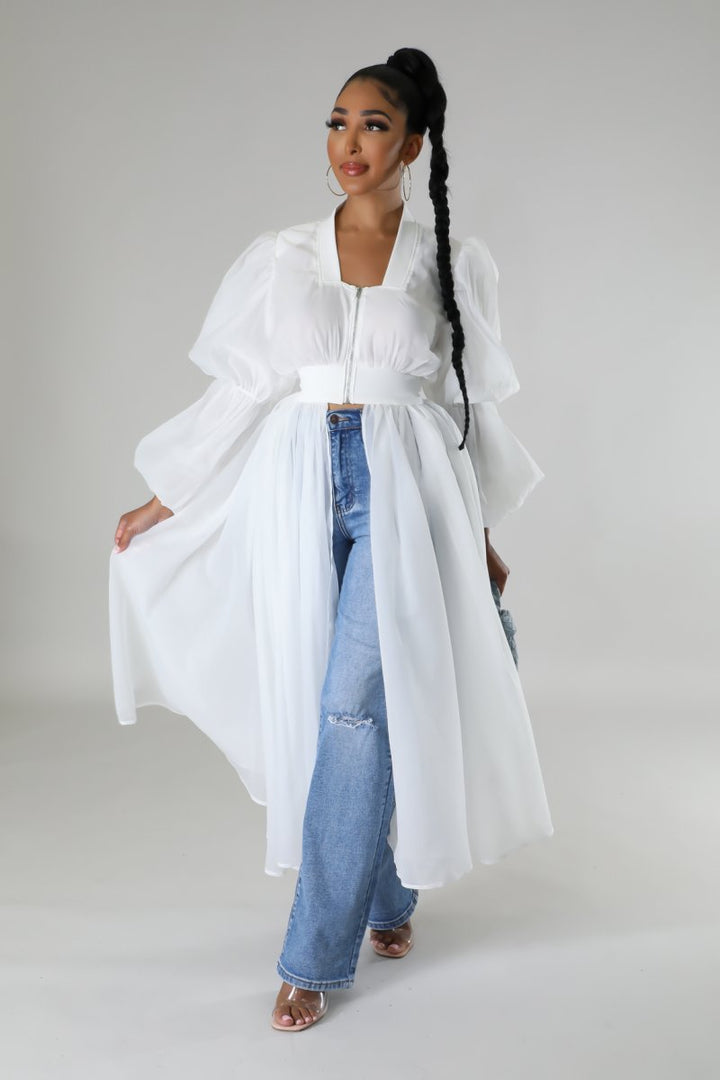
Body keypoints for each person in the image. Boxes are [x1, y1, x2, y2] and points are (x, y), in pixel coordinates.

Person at [108, 47, 554, 1033]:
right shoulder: (281, 255)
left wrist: (476, 534)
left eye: (374, 125)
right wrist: (166, 498)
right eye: (337, 122)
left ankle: (313, 955)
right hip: (296, 483)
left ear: (414, 144)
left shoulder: (450, 261)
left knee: (354, 707)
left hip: (408, 490)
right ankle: (388, 890)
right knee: (334, 704)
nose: (349, 143)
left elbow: (461, 407)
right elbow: (244, 390)